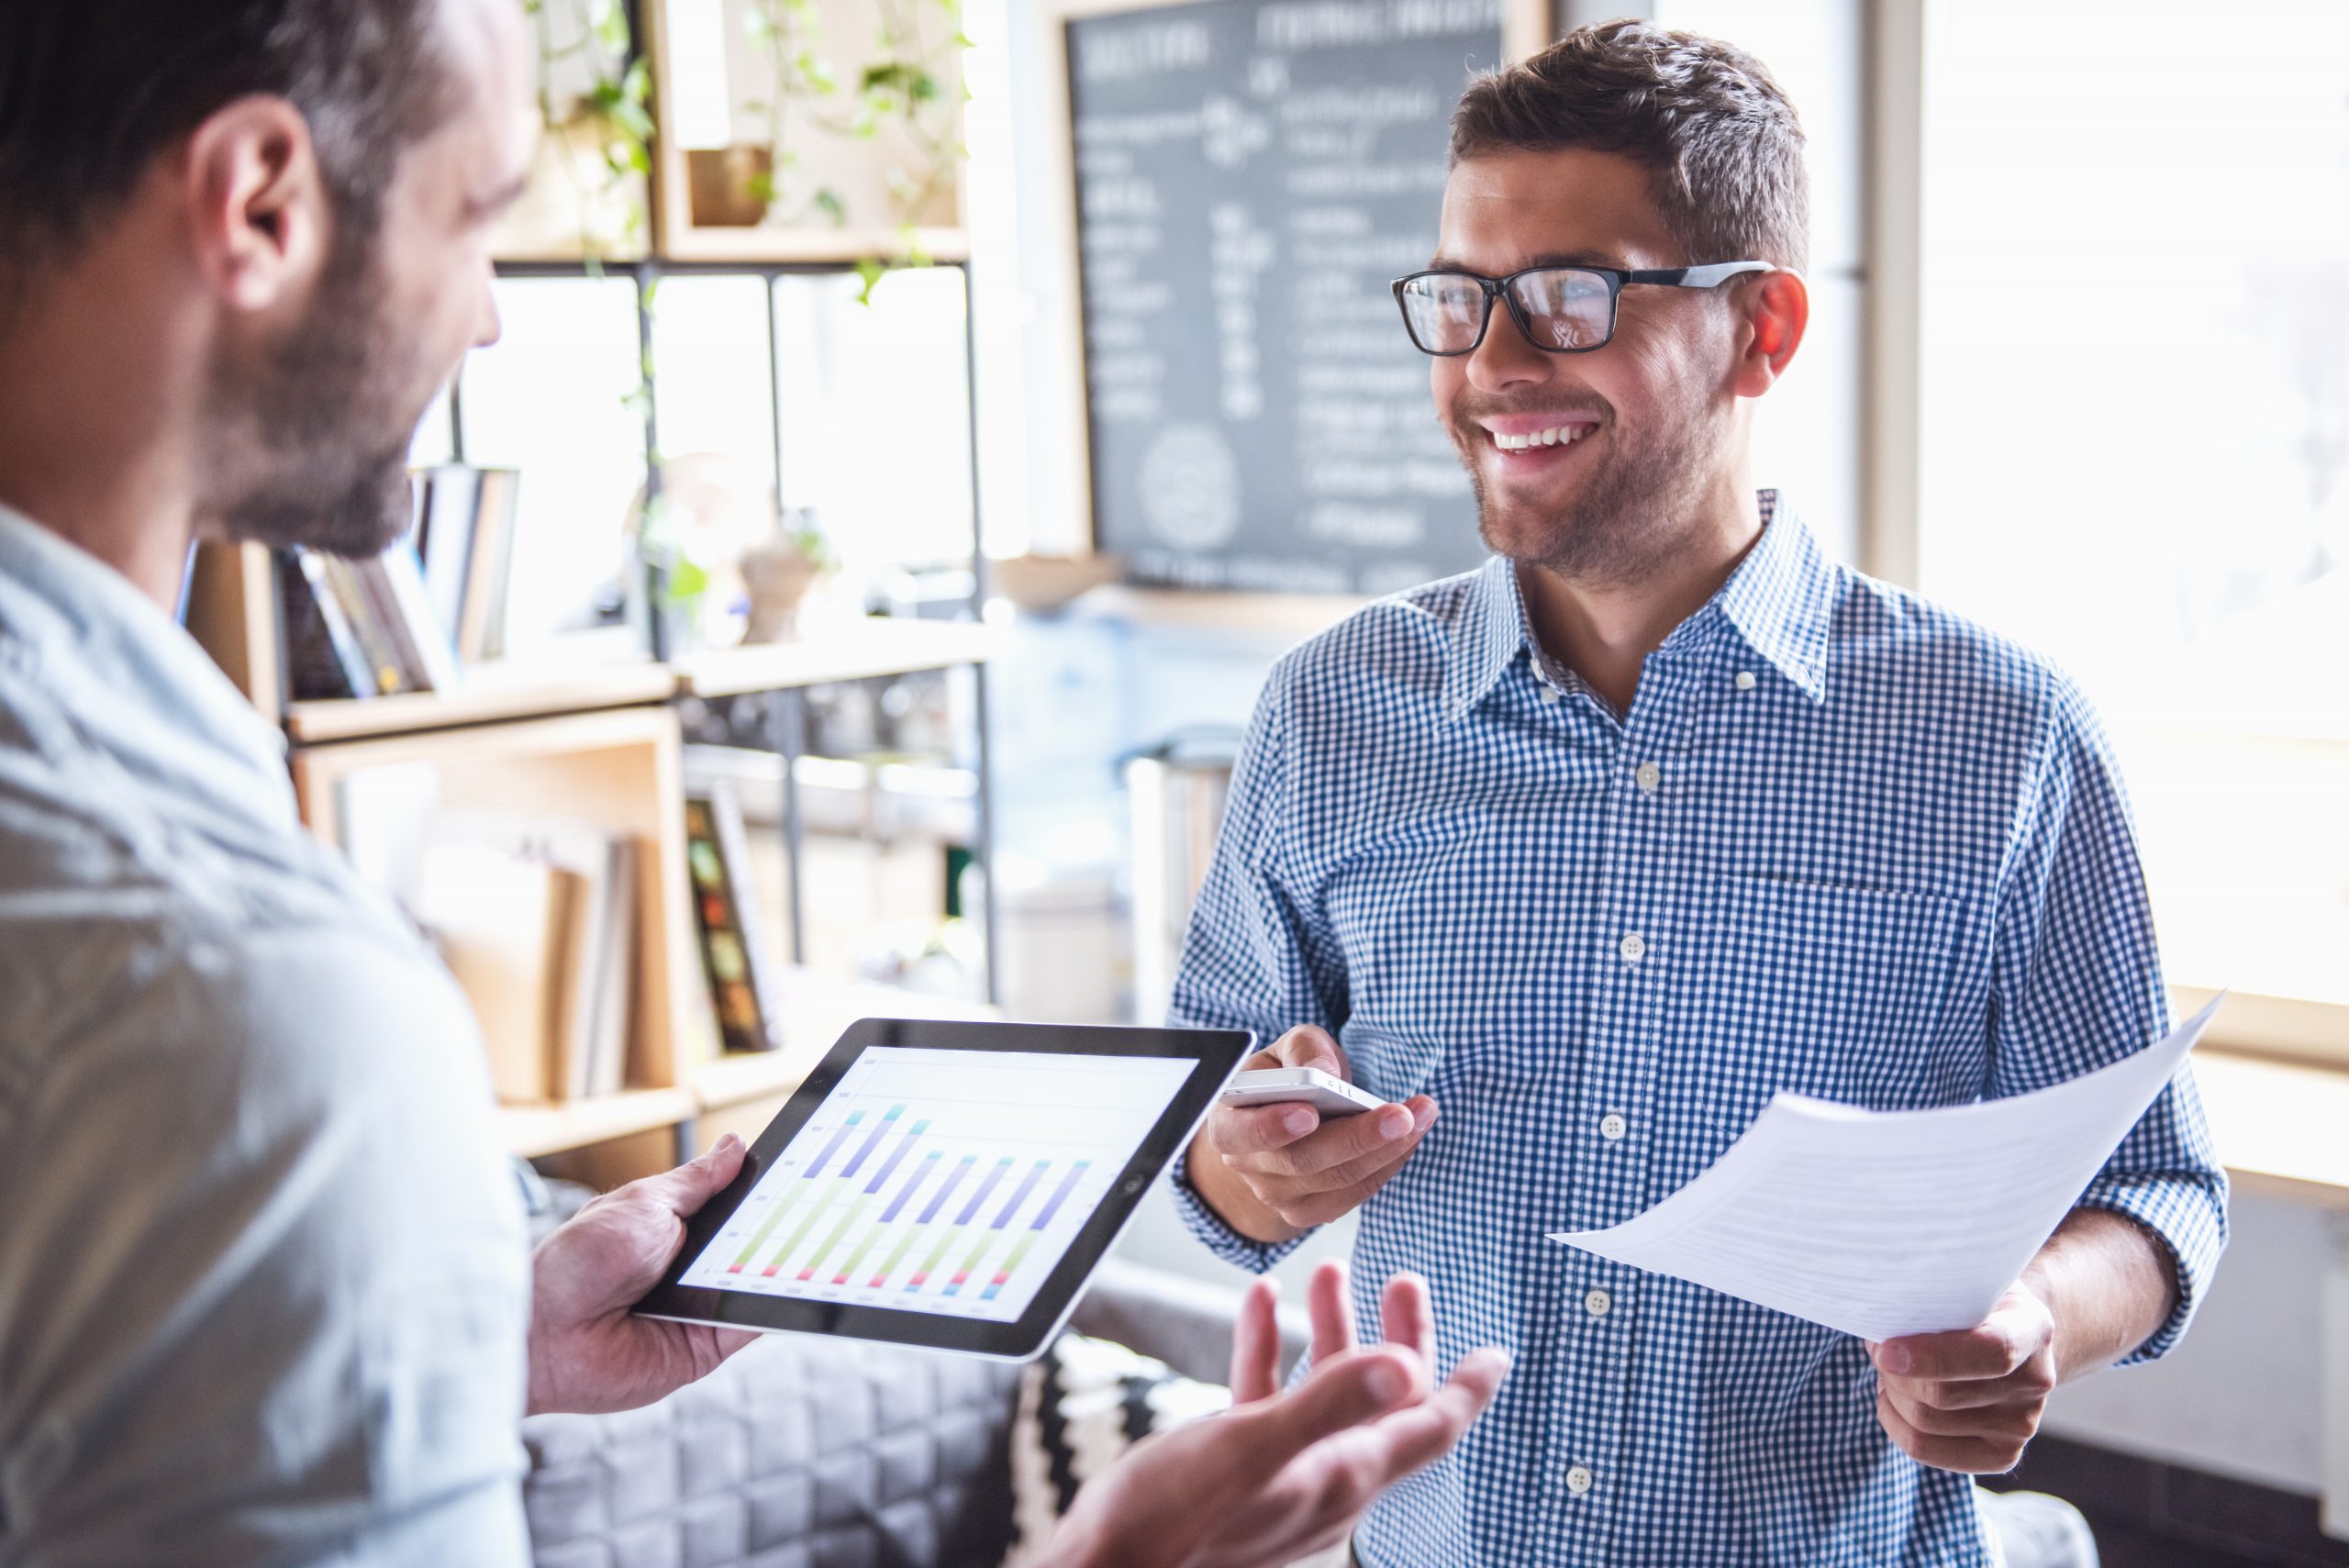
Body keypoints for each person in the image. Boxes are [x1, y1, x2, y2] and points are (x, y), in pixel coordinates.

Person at [0, 1, 1508, 1563]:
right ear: (260, 204)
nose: (490, 323)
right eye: (479, 219)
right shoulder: (236, 999)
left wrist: (467, 1328)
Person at [1171, 20, 2229, 1567]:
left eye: (1570, 299)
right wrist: (1246, 1164)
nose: (1494, 366)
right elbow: (1203, 1135)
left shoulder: (1999, 741)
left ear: (1763, 330)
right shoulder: (1331, 715)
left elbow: (2156, 1191)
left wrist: (2035, 1314)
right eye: (1463, 298)